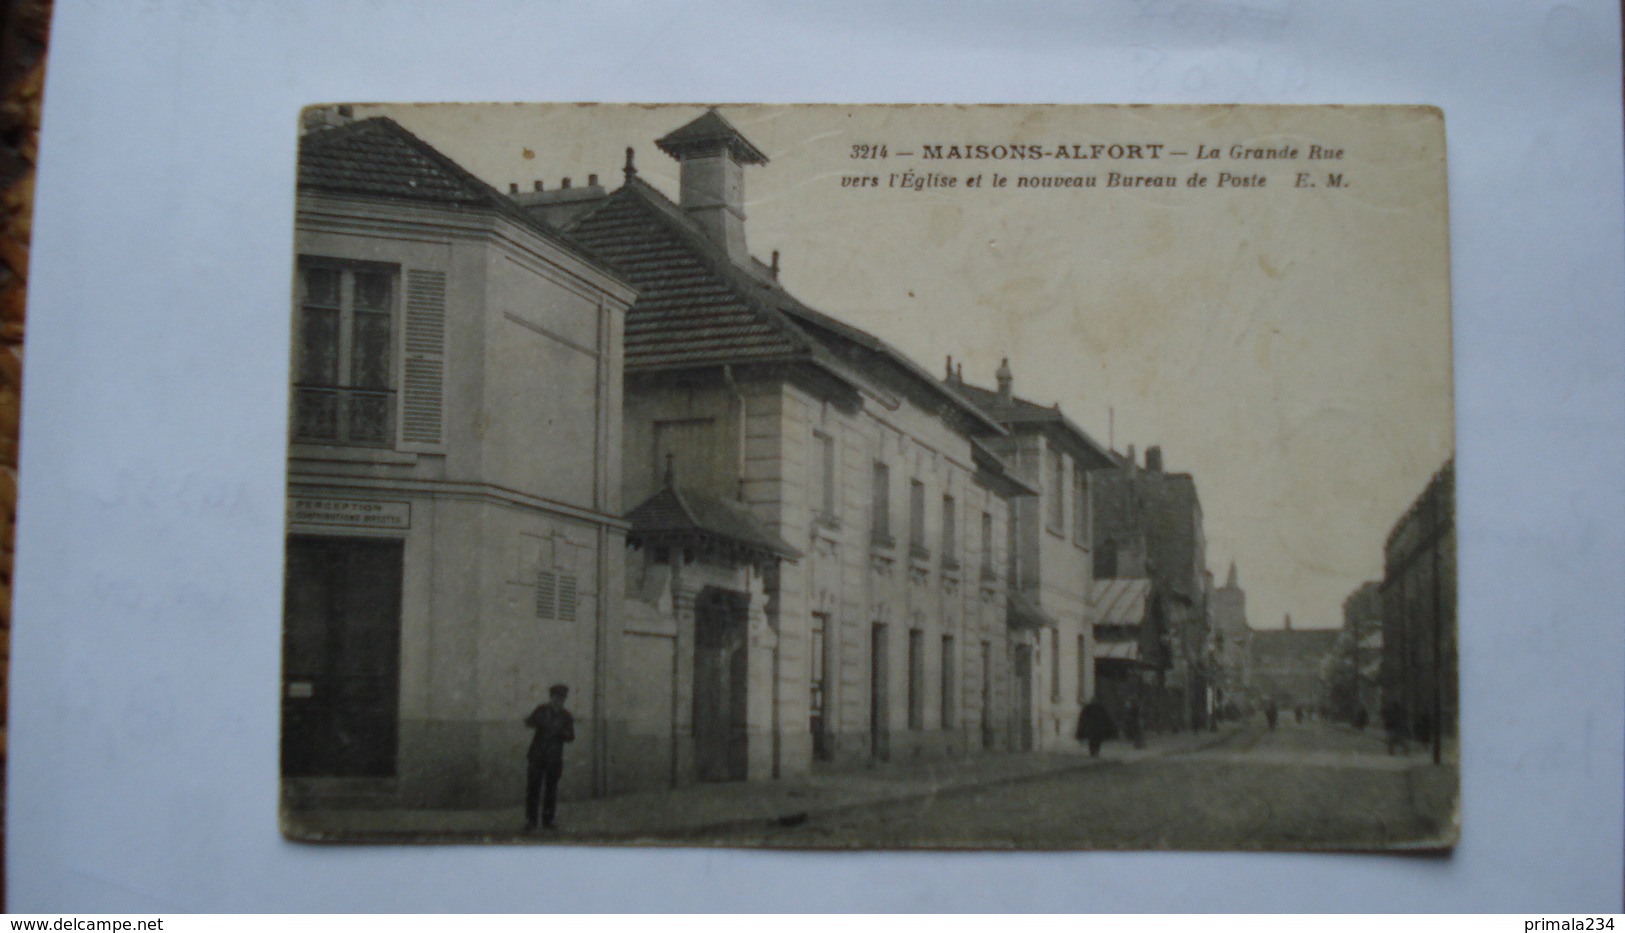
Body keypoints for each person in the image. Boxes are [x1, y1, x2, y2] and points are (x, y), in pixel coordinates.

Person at [523, 684, 575, 831]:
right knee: (533, 788)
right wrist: (540, 722)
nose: (558, 701)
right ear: (551, 697)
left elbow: (571, 737)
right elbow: (529, 722)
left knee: (551, 790)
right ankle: (531, 821)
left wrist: (562, 733)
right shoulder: (541, 710)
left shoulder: (566, 716)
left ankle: (548, 821)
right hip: (537, 756)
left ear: (564, 700)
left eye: (561, 698)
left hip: (554, 757)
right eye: (556, 698)